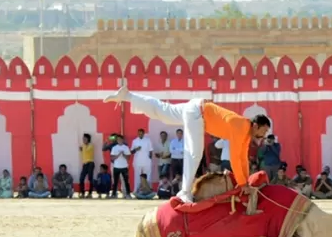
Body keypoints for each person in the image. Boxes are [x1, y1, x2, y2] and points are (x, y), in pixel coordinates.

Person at [104, 81, 271, 202]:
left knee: (163, 111)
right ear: (256, 125)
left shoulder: (246, 133)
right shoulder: (241, 127)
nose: (263, 136)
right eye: (263, 131)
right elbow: (235, 158)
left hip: (195, 108)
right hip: (198, 113)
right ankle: (184, 192)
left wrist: (247, 182)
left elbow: (242, 158)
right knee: (194, 152)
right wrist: (243, 184)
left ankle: (128, 95)